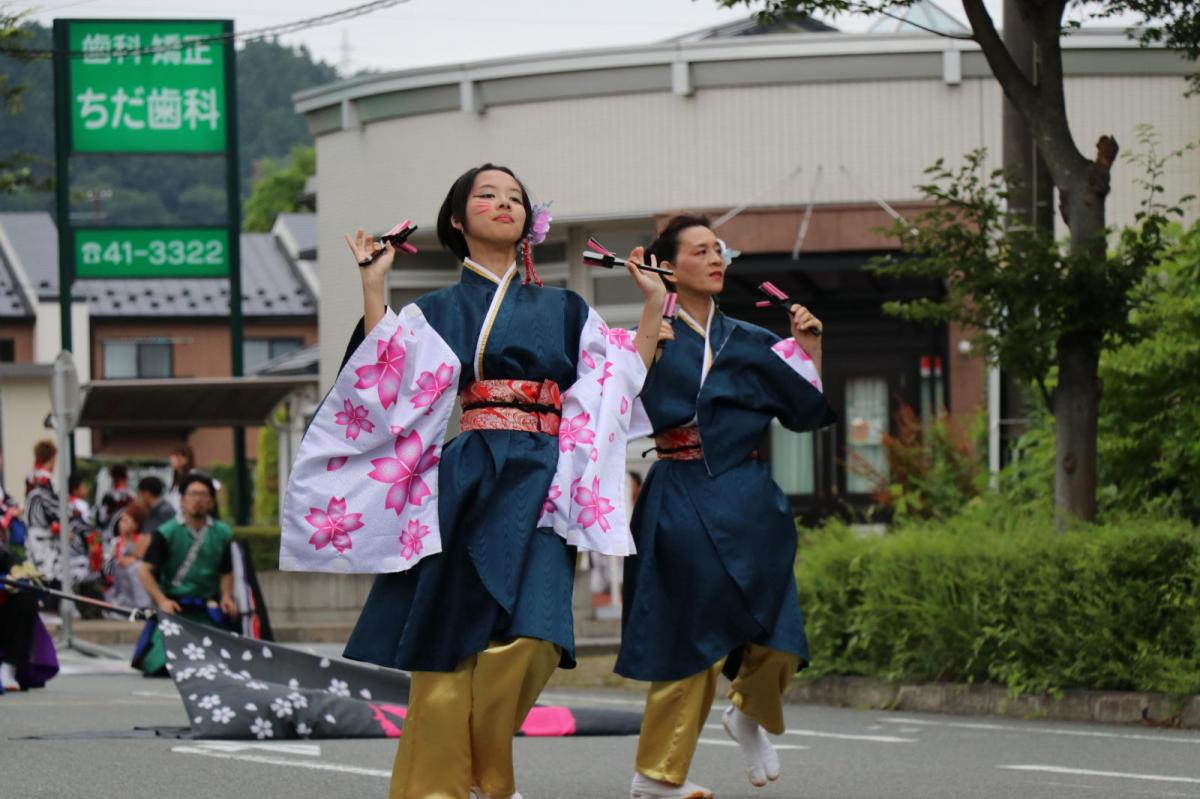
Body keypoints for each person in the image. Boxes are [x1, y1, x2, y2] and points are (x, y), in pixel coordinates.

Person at [281, 163, 666, 799]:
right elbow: (387, 378)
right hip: (469, 477)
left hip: (544, 481)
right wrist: (375, 288)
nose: (504, 204)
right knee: (450, 640)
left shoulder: (565, 306)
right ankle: (467, 787)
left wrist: (653, 303)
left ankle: (484, 774)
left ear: (528, 224)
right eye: (487, 195)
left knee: (540, 637)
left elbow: (619, 379)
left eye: (515, 197)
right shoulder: (438, 308)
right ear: (457, 221)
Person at [618, 216, 835, 799]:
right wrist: (650, 309)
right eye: (700, 251)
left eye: (720, 250)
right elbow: (616, 401)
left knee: (780, 629)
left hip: (748, 499)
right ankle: (655, 776)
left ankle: (749, 713)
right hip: (679, 496)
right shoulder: (648, 336)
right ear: (667, 265)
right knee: (688, 634)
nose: (716, 259)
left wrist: (809, 351)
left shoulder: (754, 340)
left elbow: (805, 415)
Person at [134, 472, 237, 676]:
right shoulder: (166, 532)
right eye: (192, 494)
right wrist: (162, 601)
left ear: (211, 501)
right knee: (162, 666)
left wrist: (226, 596)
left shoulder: (223, 533)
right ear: (182, 499)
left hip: (207, 610)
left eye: (203, 495)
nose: (198, 500)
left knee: (221, 665)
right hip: (175, 609)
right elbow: (144, 571)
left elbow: (226, 570)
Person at [22, 440, 61, 591]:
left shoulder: (30, 477)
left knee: (34, 571)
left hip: (31, 530)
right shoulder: (49, 480)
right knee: (51, 572)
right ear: (52, 458)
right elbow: (54, 509)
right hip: (46, 533)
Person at [105, 502, 152, 612]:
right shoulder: (115, 543)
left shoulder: (143, 540)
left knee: (136, 567)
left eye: (125, 521)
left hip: (139, 585)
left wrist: (134, 560)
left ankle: (143, 605)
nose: (121, 524)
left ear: (136, 525)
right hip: (118, 587)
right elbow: (107, 567)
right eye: (121, 521)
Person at [96, 464, 134, 545]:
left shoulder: (107, 495)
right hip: (122, 537)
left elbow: (100, 518)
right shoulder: (129, 496)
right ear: (124, 478)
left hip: (107, 536)